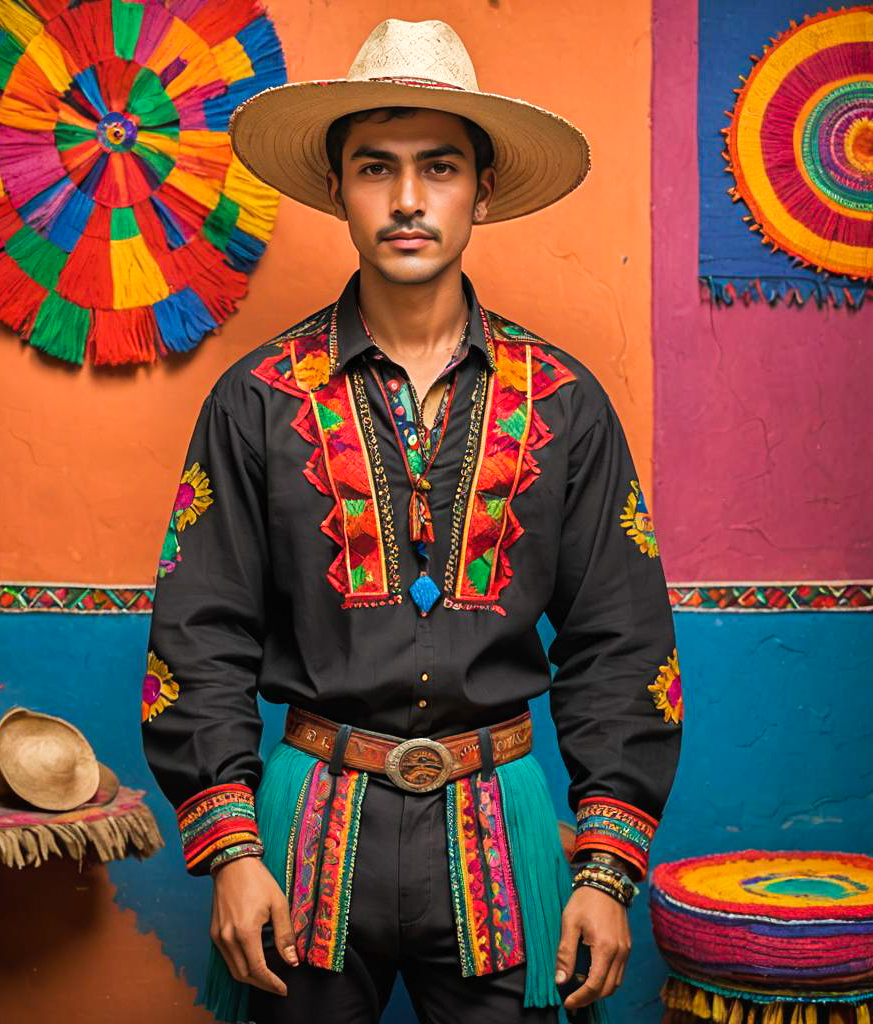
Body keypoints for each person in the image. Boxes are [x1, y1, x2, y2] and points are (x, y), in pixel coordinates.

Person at [140, 18, 681, 1024]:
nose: (404, 199)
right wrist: (230, 851)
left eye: (437, 167)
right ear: (337, 190)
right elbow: (198, 634)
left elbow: (622, 642)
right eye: (373, 168)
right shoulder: (255, 398)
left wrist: (605, 872)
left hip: (502, 834)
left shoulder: (563, 401)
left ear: (482, 190)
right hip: (305, 832)